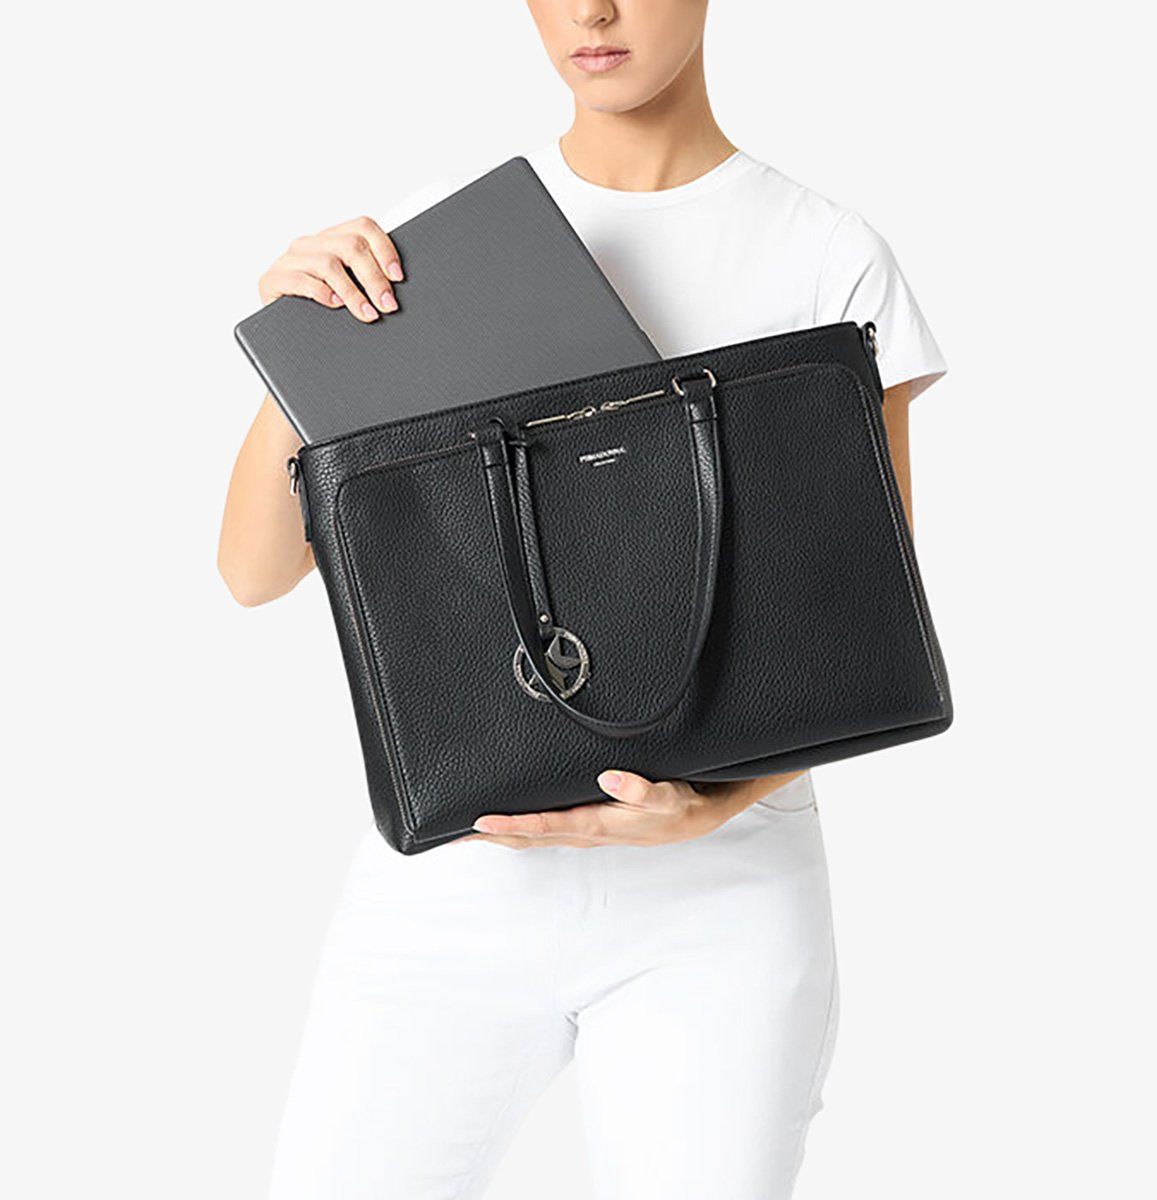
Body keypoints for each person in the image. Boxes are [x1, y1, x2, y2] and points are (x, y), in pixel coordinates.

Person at [218, 2, 946, 1196]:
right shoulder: (428, 249)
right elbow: (253, 573)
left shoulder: (827, 254)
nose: (590, 11)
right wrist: (300, 348)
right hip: (456, 878)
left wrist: (710, 807)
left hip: (721, 894)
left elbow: (864, 628)